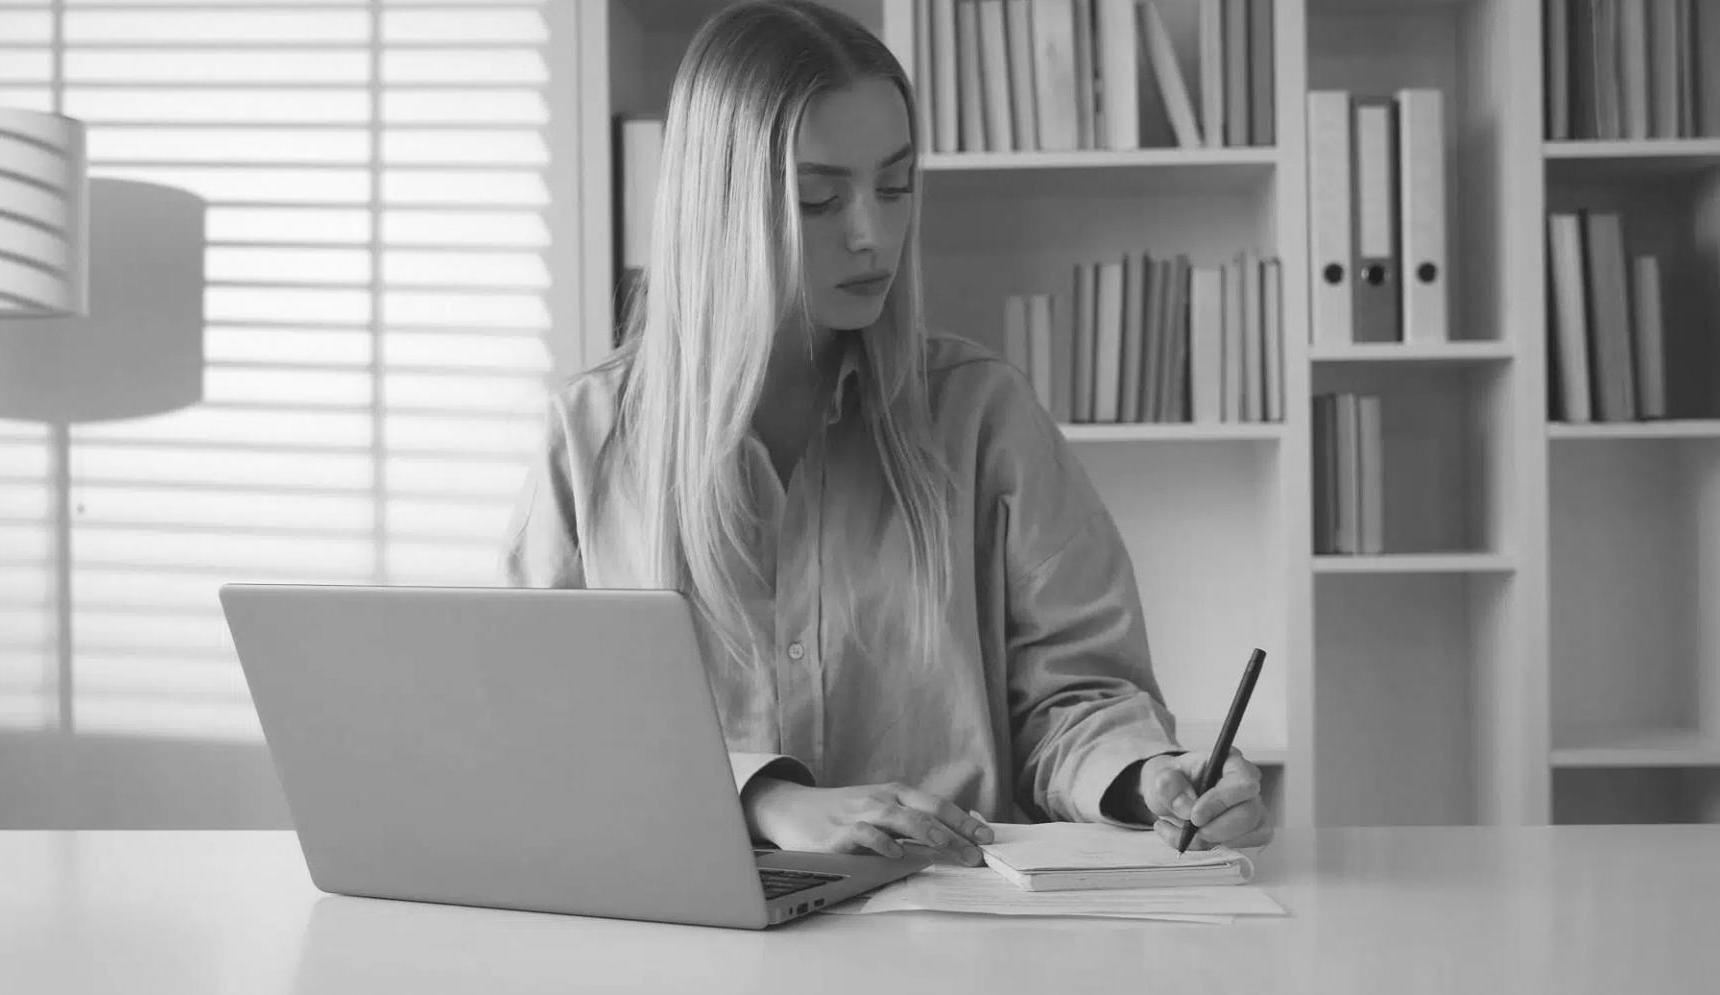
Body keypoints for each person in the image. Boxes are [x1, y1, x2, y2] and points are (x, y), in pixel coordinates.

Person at [499, 0, 1268, 867]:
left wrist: (1146, 773)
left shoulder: (983, 415)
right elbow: (542, 731)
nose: (874, 235)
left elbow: (1074, 698)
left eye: (895, 187)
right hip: (690, 935)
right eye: (818, 199)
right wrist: (766, 798)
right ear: (715, 207)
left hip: (954, 928)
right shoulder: (590, 438)